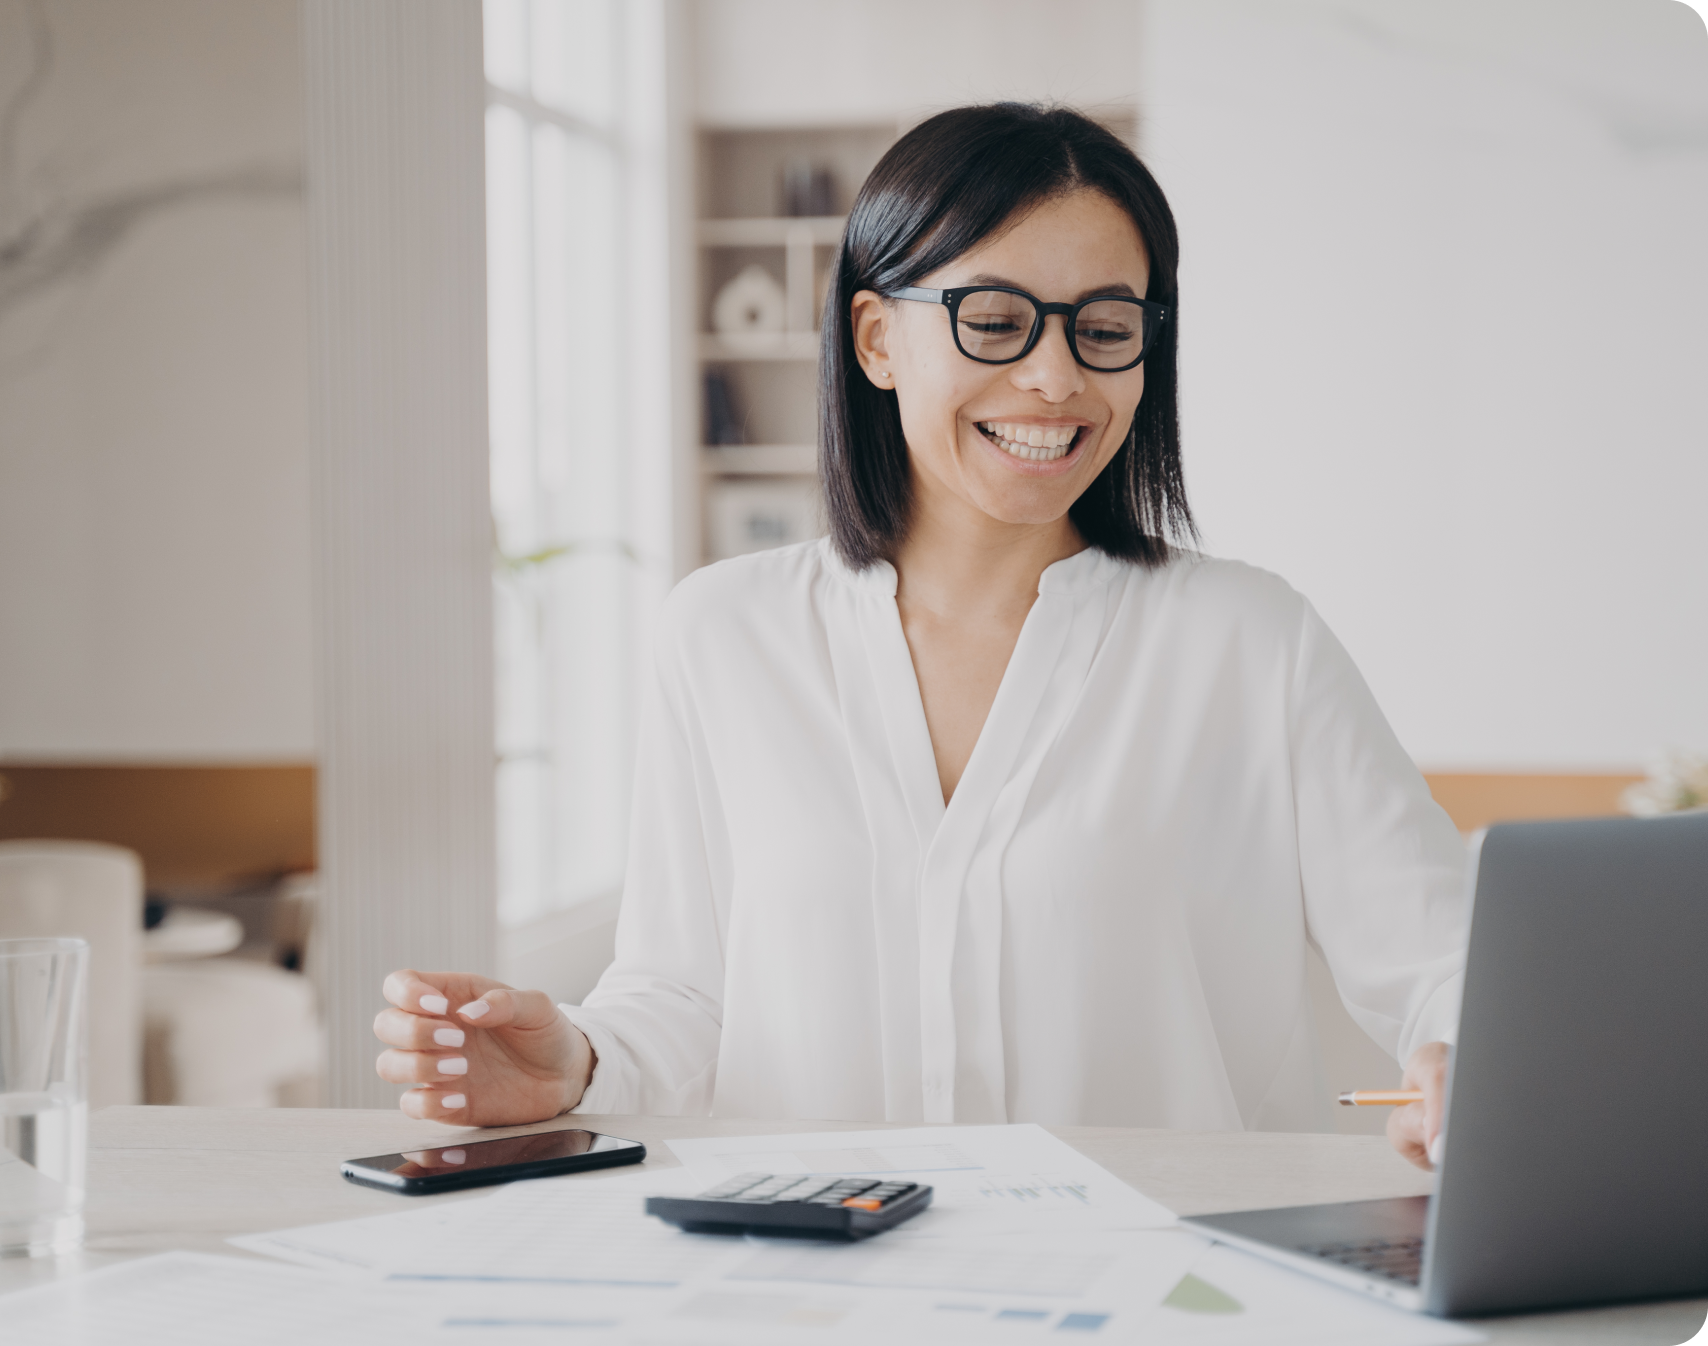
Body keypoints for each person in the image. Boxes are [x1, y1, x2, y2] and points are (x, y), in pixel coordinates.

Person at [374, 104, 1462, 1171]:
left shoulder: (1249, 640)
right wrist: (576, 1059)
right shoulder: (723, 635)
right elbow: (686, 991)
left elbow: (1443, 954)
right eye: (994, 319)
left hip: (1169, 1288)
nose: (1055, 376)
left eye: (1106, 327)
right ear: (875, 336)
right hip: (815, 1287)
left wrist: (1464, 1060)